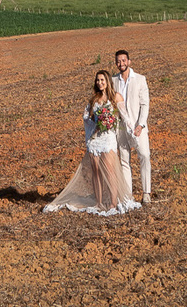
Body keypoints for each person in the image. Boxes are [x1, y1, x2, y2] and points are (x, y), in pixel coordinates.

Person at [44, 69, 140, 216]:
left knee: (110, 172)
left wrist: (132, 129)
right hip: (95, 140)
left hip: (108, 139)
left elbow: (124, 116)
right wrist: (96, 120)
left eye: (102, 80)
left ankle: (113, 202)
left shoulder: (115, 97)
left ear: (107, 81)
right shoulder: (94, 99)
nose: (99, 83)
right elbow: (85, 117)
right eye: (97, 80)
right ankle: (99, 202)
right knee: (96, 173)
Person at [113, 45, 151, 203]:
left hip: (137, 126)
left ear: (129, 61)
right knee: (124, 160)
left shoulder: (140, 79)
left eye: (123, 60)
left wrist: (140, 125)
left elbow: (145, 104)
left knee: (144, 156)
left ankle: (146, 193)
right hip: (121, 128)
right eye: (118, 61)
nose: (121, 63)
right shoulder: (113, 80)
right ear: (116, 63)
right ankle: (128, 196)